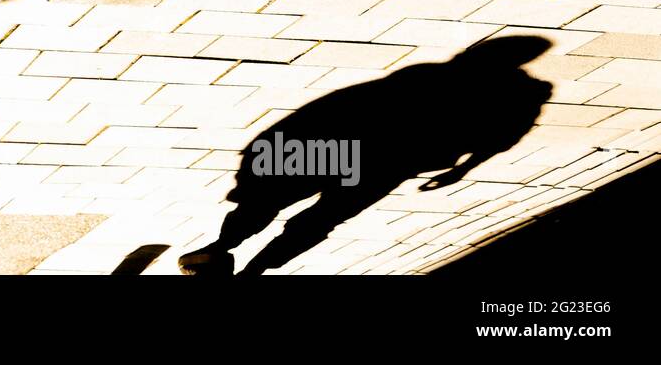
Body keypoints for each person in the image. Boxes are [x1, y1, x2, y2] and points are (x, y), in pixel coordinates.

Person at [178, 36, 553, 275]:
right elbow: (504, 138)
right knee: (321, 218)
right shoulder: (521, 94)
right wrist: (463, 169)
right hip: (389, 161)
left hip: (340, 147)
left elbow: (343, 105)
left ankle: (219, 252)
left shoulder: (427, 75)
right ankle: (252, 269)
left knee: (269, 200)